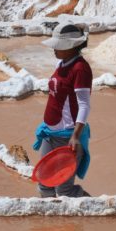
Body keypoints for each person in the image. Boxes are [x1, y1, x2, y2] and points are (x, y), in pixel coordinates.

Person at [32, 22, 92, 198]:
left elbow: (84, 104)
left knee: (64, 190)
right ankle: (52, 226)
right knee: (44, 185)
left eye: (59, 46)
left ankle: (92, 211)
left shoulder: (80, 68)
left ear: (72, 46)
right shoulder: (62, 63)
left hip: (67, 137)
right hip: (50, 134)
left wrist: (75, 136)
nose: (54, 49)